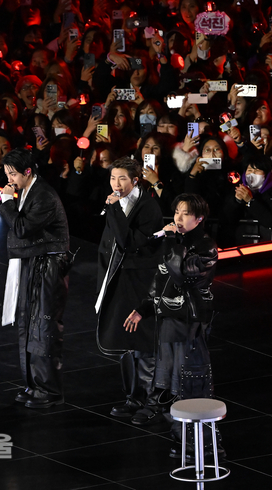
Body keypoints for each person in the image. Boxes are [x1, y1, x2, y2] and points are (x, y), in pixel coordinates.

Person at [124, 194, 220, 455]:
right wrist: (144, 309)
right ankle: (174, 427)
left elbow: (181, 275)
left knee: (188, 379)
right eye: (177, 212)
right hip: (169, 318)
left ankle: (197, 442)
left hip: (190, 321)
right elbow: (161, 280)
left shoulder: (206, 247)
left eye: (185, 213)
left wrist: (170, 241)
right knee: (166, 376)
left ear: (199, 219)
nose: (178, 218)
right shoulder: (175, 242)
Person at [0, 148, 72, 408]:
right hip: (33, 262)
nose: (9, 180)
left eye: (13, 174)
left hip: (48, 265)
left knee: (43, 325)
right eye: (7, 174)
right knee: (28, 324)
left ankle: (49, 389)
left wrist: (7, 203)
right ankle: (34, 384)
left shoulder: (44, 196)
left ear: (28, 171)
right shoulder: (28, 190)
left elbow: (22, 228)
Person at [95, 157, 163, 422]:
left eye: (122, 178)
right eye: (113, 178)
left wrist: (113, 210)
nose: (116, 184)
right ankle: (132, 397)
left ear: (135, 180)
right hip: (118, 277)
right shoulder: (116, 202)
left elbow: (127, 242)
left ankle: (150, 401)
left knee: (143, 340)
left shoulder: (148, 206)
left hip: (140, 280)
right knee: (125, 340)